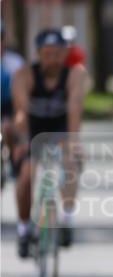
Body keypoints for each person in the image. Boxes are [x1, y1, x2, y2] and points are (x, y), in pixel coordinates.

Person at [12, 29, 87, 256]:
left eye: (57, 53)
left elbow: (74, 107)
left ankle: (67, 219)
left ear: (64, 53)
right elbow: (21, 113)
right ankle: (24, 228)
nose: (52, 59)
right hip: (33, 132)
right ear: (38, 53)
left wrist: (74, 140)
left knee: (70, 164)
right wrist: (23, 141)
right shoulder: (25, 75)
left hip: (60, 130)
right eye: (47, 54)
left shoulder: (74, 75)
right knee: (26, 176)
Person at [1, 24, 26, 185]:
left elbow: (21, 95)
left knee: (9, 128)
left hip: (10, 106)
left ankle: (12, 160)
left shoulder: (15, 62)